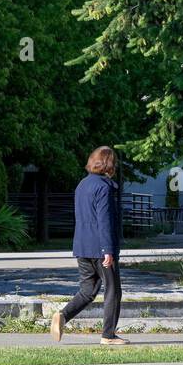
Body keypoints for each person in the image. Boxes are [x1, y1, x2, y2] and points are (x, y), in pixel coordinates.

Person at [51, 146, 127, 345]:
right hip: (100, 249)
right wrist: (107, 250)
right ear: (109, 165)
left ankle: (63, 315)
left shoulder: (82, 185)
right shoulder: (104, 187)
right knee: (113, 290)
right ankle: (108, 335)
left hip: (82, 246)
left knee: (87, 291)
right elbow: (105, 220)